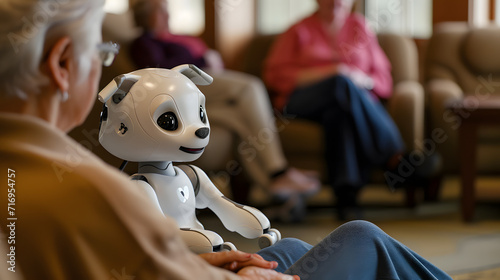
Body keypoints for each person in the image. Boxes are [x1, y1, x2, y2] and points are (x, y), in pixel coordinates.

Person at [0, 0, 452, 279]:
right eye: (99, 53)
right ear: (62, 65)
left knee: (288, 247)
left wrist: (204, 262)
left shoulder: (30, 175)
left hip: (195, 264)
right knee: (362, 237)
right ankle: (388, 160)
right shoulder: (89, 190)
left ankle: (353, 174)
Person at [128, 0, 320, 220]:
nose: (168, 16)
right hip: (184, 87)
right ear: (145, 16)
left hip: (202, 86)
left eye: (167, 11)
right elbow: (160, 71)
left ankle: (277, 185)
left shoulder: (174, 38)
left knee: (238, 117)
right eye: (161, 12)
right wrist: (203, 59)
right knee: (251, 88)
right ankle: (278, 172)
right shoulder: (144, 42)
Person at [264, 0, 406, 220]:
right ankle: (393, 156)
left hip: (345, 103)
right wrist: (335, 72)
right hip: (302, 101)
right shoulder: (298, 30)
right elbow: (276, 76)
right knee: (340, 82)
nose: (336, 2)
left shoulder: (361, 28)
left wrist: (361, 80)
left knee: (339, 112)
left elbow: (383, 81)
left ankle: (346, 197)